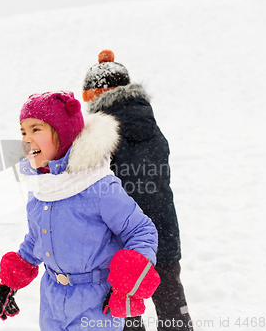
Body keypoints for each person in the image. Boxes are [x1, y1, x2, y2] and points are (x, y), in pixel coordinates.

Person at [0, 91, 161, 330]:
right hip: (52, 301)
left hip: (95, 304)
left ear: (62, 134)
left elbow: (142, 231)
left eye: (36, 129)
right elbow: (36, 238)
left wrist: (125, 282)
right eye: (23, 132)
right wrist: (11, 282)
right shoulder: (41, 188)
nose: (27, 139)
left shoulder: (99, 187)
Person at [82, 50, 193, 331]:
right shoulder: (151, 125)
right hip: (164, 231)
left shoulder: (102, 135)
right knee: (172, 308)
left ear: (97, 97)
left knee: (126, 313)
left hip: (125, 238)